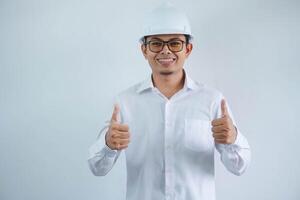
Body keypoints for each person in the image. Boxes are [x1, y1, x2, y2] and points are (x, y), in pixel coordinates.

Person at [88, 2, 251, 200]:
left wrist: (232, 138)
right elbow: (97, 168)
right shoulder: (124, 102)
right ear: (144, 50)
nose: (165, 51)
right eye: (156, 43)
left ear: (188, 49)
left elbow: (239, 167)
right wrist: (108, 144)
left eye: (174, 43)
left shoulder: (212, 100)